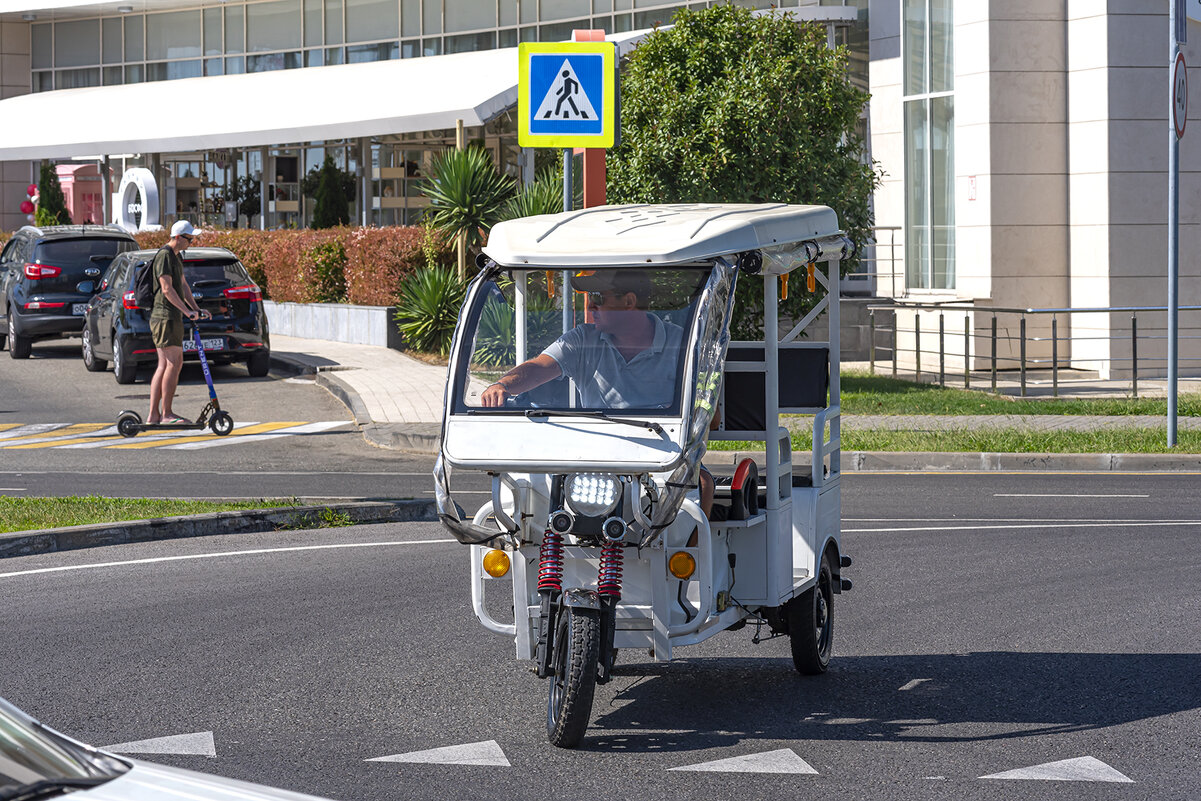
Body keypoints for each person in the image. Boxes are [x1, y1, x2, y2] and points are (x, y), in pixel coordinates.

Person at [479, 270, 684, 410]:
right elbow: (539, 366)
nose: (590, 306)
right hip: (598, 459)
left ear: (629, 301)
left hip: (664, 457)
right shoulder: (583, 339)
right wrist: (502, 385)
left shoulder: (681, 344)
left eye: (598, 297)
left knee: (700, 476)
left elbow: (708, 417)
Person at [147, 220, 211, 425]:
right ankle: (166, 414)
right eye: (189, 238)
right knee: (173, 363)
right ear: (177, 237)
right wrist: (186, 312)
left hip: (170, 317)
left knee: (166, 364)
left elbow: (183, 287)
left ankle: (154, 416)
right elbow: (167, 289)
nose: (191, 242)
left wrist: (196, 309)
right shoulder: (165, 255)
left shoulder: (176, 257)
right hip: (165, 317)